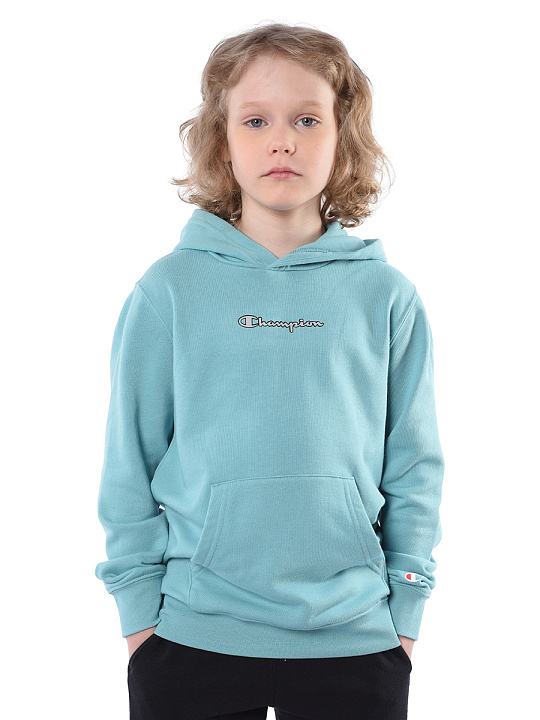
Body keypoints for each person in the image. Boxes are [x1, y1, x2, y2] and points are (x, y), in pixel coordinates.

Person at [95, 21, 445, 720]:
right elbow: (129, 463)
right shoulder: (169, 292)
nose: (281, 140)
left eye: (306, 119)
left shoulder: (386, 296)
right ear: (221, 141)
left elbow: (414, 466)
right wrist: (139, 616)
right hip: (191, 635)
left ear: (343, 138)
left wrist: (406, 609)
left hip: (357, 638)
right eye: (255, 120)